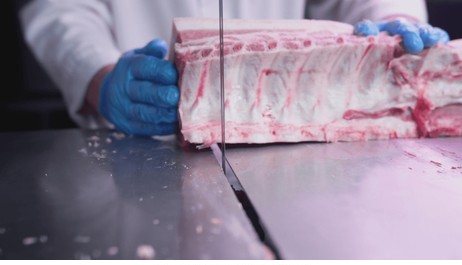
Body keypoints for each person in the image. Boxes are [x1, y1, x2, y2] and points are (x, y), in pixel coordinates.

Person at [19, 0, 449, 136]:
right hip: (136, 142)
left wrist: (399, 22)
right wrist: (99, 76)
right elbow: (61, 9)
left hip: (290, 124)